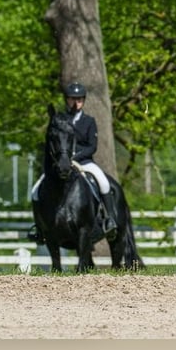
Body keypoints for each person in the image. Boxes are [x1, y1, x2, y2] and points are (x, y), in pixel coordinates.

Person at [31, 82, 118, 241]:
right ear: (67, 100)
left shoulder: (89, 121)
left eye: (79, 99)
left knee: (104, 183)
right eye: (72, 99)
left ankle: (109, 220)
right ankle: (39, 227)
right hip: (61, 164)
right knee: (35, 190)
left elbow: (92, 146)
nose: (76, 102)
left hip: (84, 162)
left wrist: (74, 157)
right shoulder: (60, 120)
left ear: (83, 101)